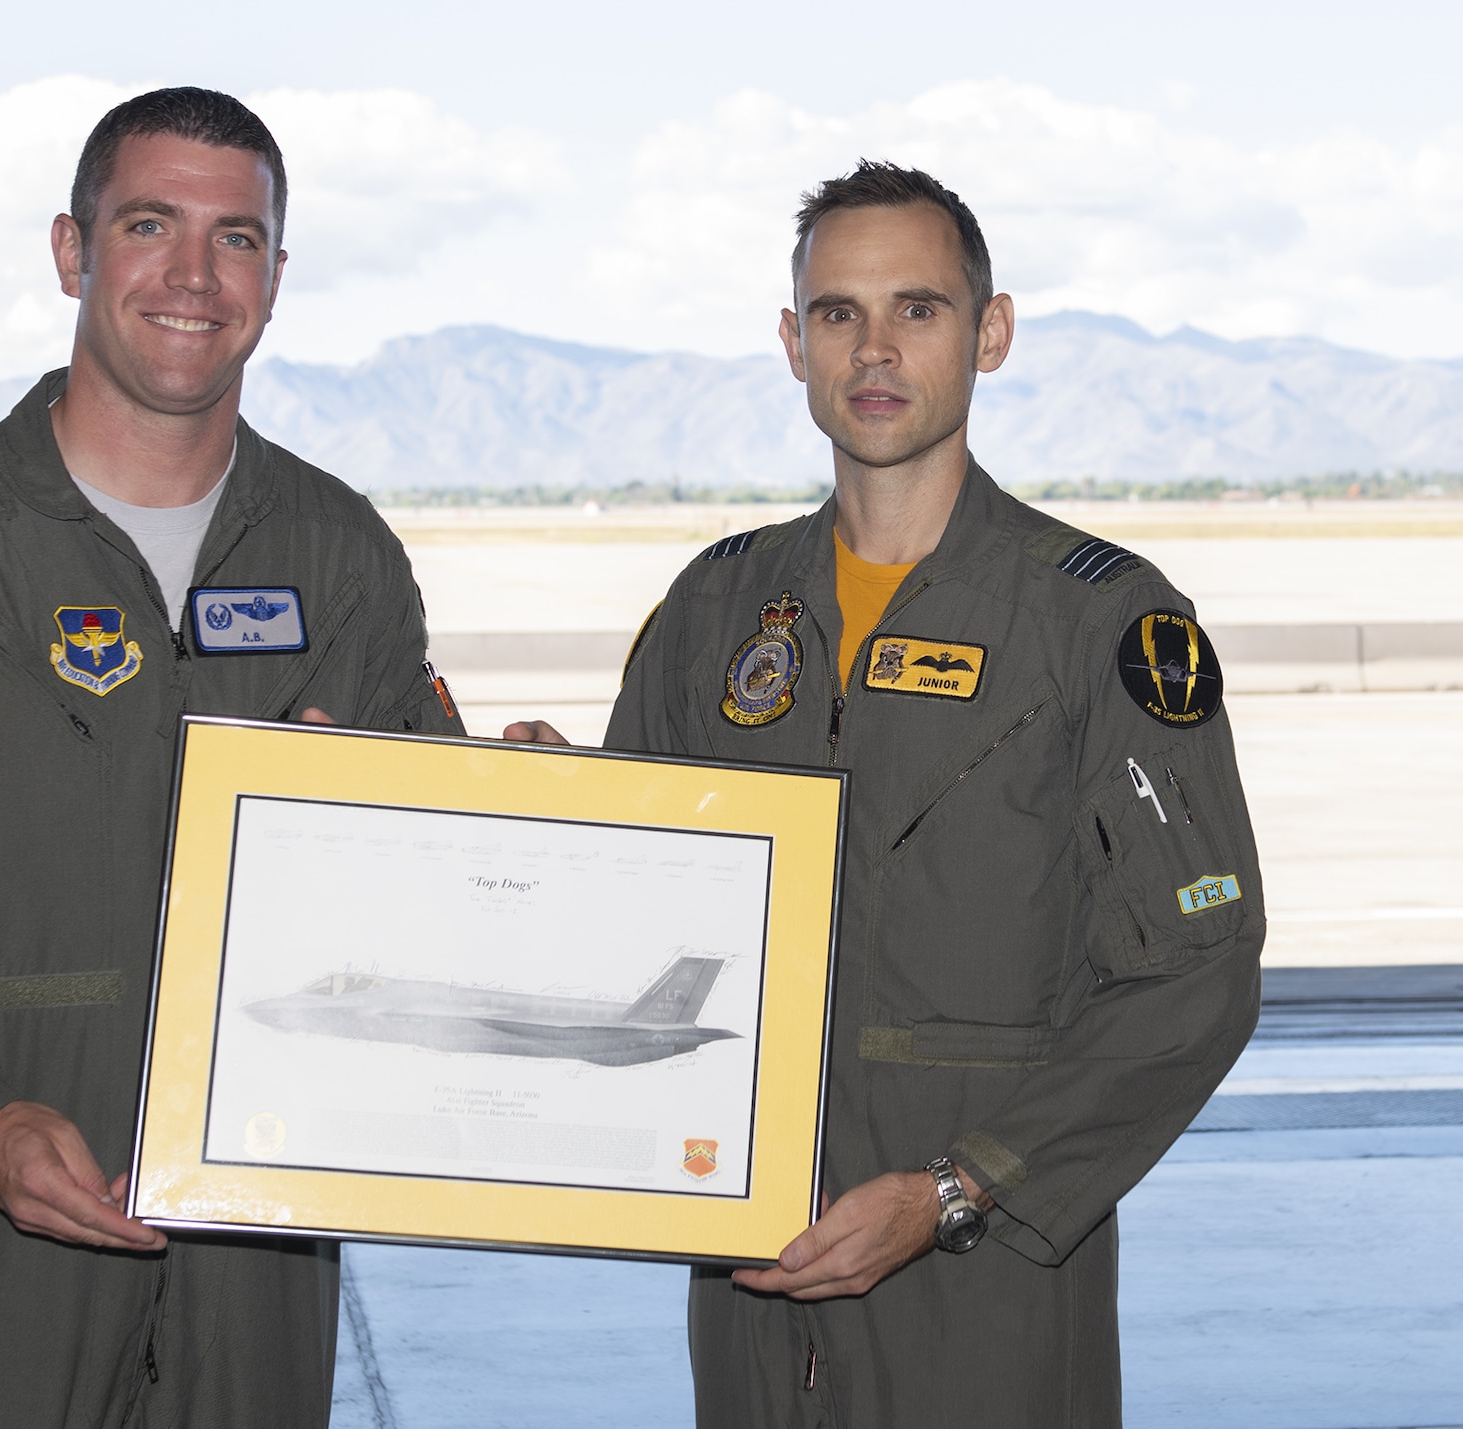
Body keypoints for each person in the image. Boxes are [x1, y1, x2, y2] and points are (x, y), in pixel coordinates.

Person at [0, 88, 461, 1428]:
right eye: (149, 224)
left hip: (248, 1252)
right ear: (73, 250)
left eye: (237, 238)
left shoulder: (339, 556)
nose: (193, 274)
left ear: (277, 279)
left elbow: (424, 879)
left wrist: (501, 815)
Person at [518, 161, 1264, 1425]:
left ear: (990, 332)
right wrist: (533, 818)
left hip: (991, 1289)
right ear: (790, 344)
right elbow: (634, 912)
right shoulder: (713, 610)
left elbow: (1199, 973)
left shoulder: (1096, 621)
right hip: (751, 1280)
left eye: (915, 310)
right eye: (834, 313)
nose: (872, 349)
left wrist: (958, 1190)